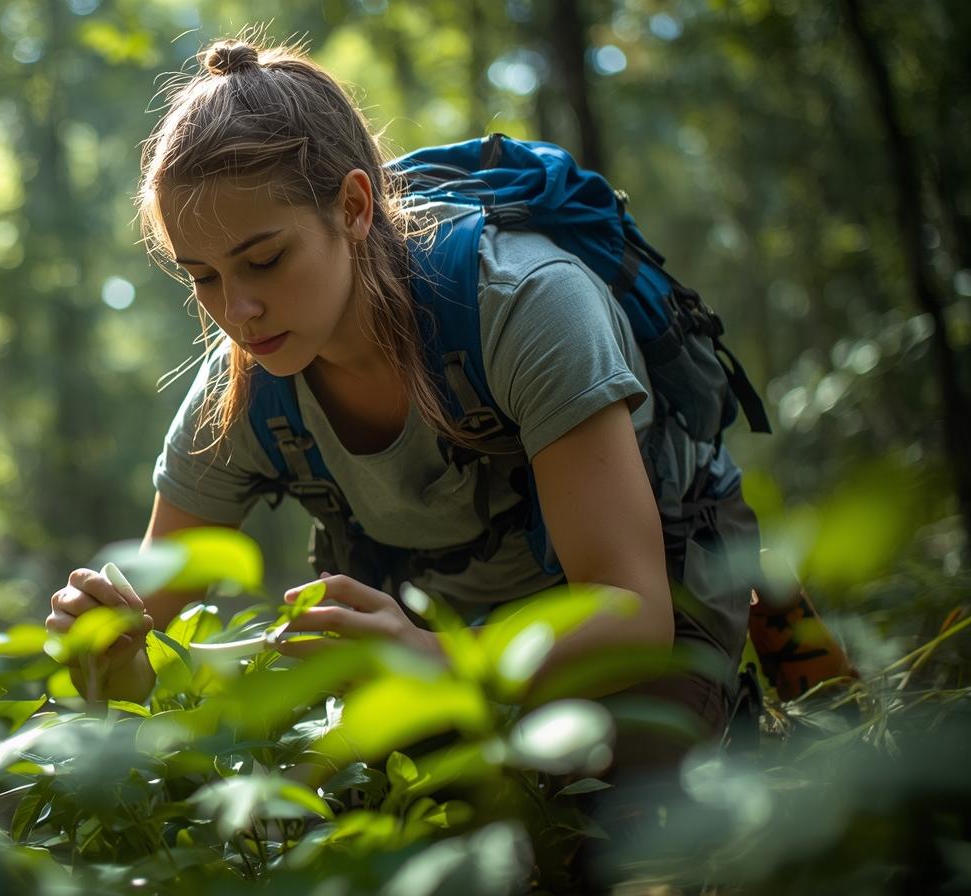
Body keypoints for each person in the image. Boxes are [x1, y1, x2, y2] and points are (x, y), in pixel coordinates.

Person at [45, 35, 764, 805]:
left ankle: (751, 673)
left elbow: (631, 615)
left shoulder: (525, 306)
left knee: (618, 821)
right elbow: (141, 625)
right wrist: (108, 653)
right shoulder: (245, 386)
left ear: (353, 207)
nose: (236, 312)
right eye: (203, 278)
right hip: (449, 627)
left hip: (649, 595)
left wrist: (431, 659)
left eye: (264, 260)